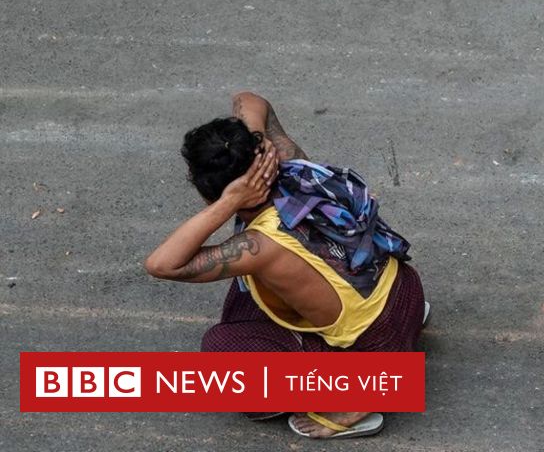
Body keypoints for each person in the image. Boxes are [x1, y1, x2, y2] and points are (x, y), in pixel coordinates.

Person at [143, 91, 426, 439]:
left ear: (212, 192)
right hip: (406, 292)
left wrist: (229, 203)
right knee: (248, 293)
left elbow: (162, 264)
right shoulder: (293, 164)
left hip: (381, 344)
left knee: (222, 348)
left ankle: (361, 396)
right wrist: (255, 143)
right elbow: (249, 99)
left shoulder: (260, 246)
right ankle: (405, 333)